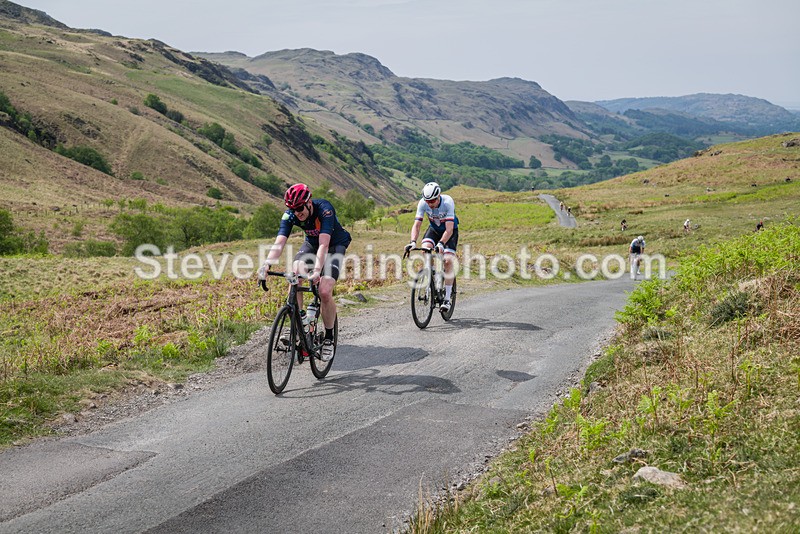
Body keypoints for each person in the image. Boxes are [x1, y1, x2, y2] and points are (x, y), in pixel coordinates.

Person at [257, 183, 351, 361]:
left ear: (308, 202)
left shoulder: (325, 210)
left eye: (300, 208)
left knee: (324, 290)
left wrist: (316, 271)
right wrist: (267, 264)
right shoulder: (291, 214)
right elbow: (280, 242)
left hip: (334, 245)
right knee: (295, 273)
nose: (297, 212)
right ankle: (298, 321)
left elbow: (324, 244)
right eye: (293, 209)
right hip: (311, 244)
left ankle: (329, 338)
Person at [404, 182, 459, 313]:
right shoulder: (422, 203)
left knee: (447, 261)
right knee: (425, 250)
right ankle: (432, 275)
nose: (429, 204)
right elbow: (417, 225)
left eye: (432, 201)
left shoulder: (448, 202)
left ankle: (447, 299)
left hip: (449, 232)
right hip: (434, 230)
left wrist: (441, 243)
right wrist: (412, 242)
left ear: (438, 196)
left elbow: (449, 229)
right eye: (427, 201)